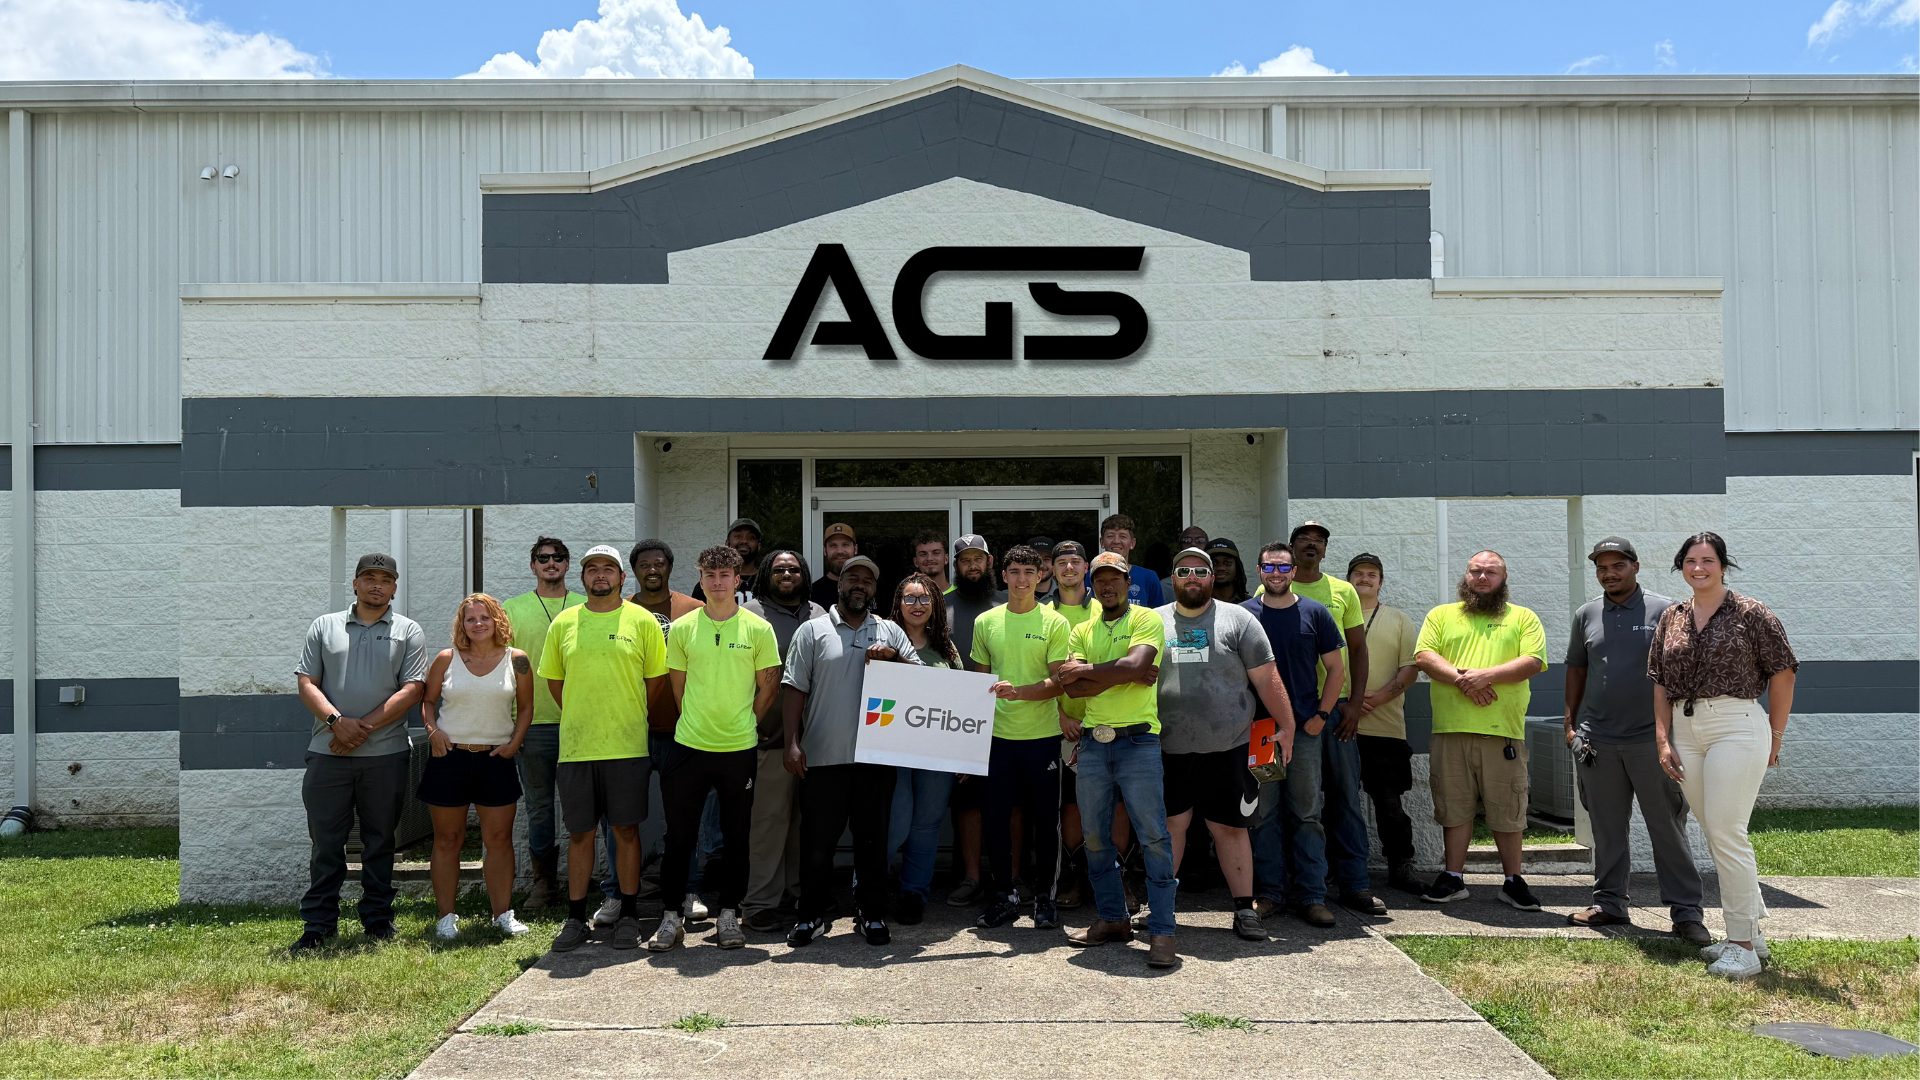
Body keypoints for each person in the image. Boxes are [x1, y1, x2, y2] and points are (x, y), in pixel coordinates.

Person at [1649, 532, 1797, 980]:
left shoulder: (1752, 613)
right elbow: (1659, 680)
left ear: (1723, 565)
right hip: (1684, 728)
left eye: (1707, 560)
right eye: (1690, 561)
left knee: (1728, 831)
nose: (1699, 568)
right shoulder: (1672, 617)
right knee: (1715, 831)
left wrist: (1775, 734)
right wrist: (1662, 738)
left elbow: (1784, 673)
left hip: (1736, 724)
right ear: (1681, 567)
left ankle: (1740, 945)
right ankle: (1753, 936)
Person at [1564, 537, 1708, 943]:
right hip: (1598, 741)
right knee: (1607, 828)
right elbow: (1576, 669)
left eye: (1618, 566)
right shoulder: (1586, 614)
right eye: (1602, 567)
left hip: (1653, 740)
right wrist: (1571, 727)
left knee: (1667, 827)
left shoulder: (1666, 611)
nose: (1610, 573)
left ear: (1636, 566)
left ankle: (1686, 914)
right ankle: (1609, 904)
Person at [1153, 547, 1296, 942]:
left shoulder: (1240, 619)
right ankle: (1161, 910)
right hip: (1167, 748)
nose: (1192, 576)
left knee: (1230, 828)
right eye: (1184, 570)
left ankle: (1243, 910)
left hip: (1230, 745)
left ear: (1213, 578)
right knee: (1169, 827)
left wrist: (1287, 725)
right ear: (1173, 578)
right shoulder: (1151, 621)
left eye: (1201, 571)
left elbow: (1267, 678)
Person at [290, 553, 428, 953]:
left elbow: (412, 690)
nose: (376, 585)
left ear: (395, 587)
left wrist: (359, 728)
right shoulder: (324, 626)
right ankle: (317, 926)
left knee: (380, 841)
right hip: (327, 754)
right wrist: (337, 723)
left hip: (384, 756)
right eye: (369, 577)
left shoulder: (408, 630)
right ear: (354, 583)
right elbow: (307, 683)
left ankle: (378, 923)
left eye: (385, 579)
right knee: (326, 844)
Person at [782, 555, 922, 947]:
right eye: (852, 578)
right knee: (817, 844)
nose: (859, 584)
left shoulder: (891, 631)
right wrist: (792, 743)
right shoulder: (812, 631)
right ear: (839, 584)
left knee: (873, 843)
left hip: (875, 759)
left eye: (868, 580)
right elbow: (794, 688)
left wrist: (892, 659)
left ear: (875, 590)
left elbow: (917, 685)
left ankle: (871, 914)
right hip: (822, 757)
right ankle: (810, 916)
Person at [649, 545, 783, 952]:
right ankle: (671, 918)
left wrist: (744, 722)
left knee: (736, 837)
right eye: (710, 575)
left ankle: (729, 915)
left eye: (726, 575)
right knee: (679, 838)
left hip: (738, 748)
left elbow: (768, 687)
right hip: (688, 746)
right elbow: (678, 687)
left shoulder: (758, 628)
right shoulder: (685, 628)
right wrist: (701, 720)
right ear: (701, 578)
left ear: (737, 580)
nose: (718, 582)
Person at [539, 545, 669, 953]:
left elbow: (655, 680)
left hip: (627, 746)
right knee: (580, 835)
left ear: (621, 578)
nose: (600, 575)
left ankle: (629, 916)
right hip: (576, 748)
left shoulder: (642, 620)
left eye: (608, 569)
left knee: (625, 832)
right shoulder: (564, 622)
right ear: (582, 579)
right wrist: (584, 713)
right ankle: (577, 918)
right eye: (592, 569)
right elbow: (556, 682)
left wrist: (625, 713)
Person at [1061, 552, 1177, 969]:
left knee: (1153, 838)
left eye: (1116, 579)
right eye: (1101, 580)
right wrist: (1121, 672)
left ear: (1130, 584)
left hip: (1139, 742)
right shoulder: (1081, 629)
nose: (1108, 586)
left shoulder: (1146, 619)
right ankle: (1113, 919)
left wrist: (1094, 671)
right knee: (1094, 838)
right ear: (1092, 586)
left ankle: (1163, 929)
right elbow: (1072, 690)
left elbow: (1137, 664)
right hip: (1093, 744)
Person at [1414, 550, 1548, 910]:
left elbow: (1533, 661)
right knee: (1453, 807)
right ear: (1466, 575)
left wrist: (1485, 676)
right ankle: (1454, 878)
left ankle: (1512, 881)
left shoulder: (1523, 618)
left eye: (1491, 572)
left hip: (1503, 733)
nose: (1483, 578)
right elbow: (1425, 656)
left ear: (1504, 578)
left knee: (1508, 810)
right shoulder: (1441, 616)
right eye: (1476, 571)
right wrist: (1465, 681)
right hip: (1450, 730)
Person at [1242, 543, 1348, 926]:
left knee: (1307, 813)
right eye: (1270, 567)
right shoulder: (1244, 615)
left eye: (1283, 567)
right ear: (1259, 571)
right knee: (1264, 814)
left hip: (1304, 731)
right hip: (1261, 733)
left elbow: (1336, 669)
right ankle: (1270, 893)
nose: (1277, 573)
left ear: (1293, 571)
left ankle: (1312, 895)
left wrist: (1322, 714)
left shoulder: (1315, 613)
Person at [419, 593, 534, 940]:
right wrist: (432, 731)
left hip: (495, 759)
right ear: (462, 624)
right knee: (447, 839)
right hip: (448, 757)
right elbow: (427, 701)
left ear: (498, 620)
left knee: (498, 839)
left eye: (485, 617)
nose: (478, 624)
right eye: (471, 619)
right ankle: (446, 918)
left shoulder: (518, 660)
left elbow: (527, 707)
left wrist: (514, 741)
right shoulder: (445, 659)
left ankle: (502, 914)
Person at [971, 544, 1074, 931]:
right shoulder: (987, 622)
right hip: (996, 738)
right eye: (1014, 571)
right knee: (995, 819)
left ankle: (1045, 900)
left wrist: (1021, 692)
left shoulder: (1054, 622)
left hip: (1042, 737)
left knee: (1045, 821)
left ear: (1040, 576)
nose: (1021, 579)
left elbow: (1058, 682)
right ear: (1004, 575)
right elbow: (979, 684)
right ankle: (1004, 898)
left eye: (1029, 573)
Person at [1282, 521, 1377, 913]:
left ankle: (1355, 884)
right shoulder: (1273, 587)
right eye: (1304, 539)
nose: (1312, 545)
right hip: (1290, 715)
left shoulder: (1343, 592)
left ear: (1325, 551)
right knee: (1299, 805)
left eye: (1319, 541)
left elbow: (1357, 649)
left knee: (1345, 799)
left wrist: (1353, 704)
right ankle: (1303, 885)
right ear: (1290, 549)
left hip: (1336, 712)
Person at [628, 539, 715, 922]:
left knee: (684, 819)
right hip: (630, 730)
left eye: (658, 563)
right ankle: (617, 894)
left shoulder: (694, 610)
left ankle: (689, 891)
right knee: (622, 819)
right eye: (644, 563)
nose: (652, 569)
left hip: (683, 730)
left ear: (669, 568)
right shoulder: (619, 611)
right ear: (635, 571)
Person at [740, 550, 826, 932]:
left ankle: (797, 892)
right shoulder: (750, 614)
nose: (787, 574)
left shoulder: (820, 614)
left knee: (804, 824)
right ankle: (759, 902)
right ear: (765, 575)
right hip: (768, 738)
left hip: (818, 741)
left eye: (794, 569)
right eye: (779, 569)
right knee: (769, 822)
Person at [501, 537, 585, 912]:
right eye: (543, 558)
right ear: (532, 565)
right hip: (531, 726)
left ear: (568, 565)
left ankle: (580, 884)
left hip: (579, 724)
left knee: (580, 808)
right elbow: (499, 669)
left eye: (558, 558)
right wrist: (509, 726)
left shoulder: (587, 606)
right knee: (538, 808)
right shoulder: (512, 609)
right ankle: (544, 884)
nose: (551, 563)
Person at [1344, 553, 1425, 894]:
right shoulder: (1332, 615)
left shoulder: (1399, 619)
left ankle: (1401, 865)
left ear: (1381, 581)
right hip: (1340, 724)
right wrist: (1348, 702)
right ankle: (1338, 867)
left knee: (1390, 805)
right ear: (1347, 579)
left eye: (1372, 574)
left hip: (1385, 727)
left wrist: (1377, 697)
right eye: (1358, 573)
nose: (1365, 578)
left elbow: (1411, 668)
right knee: (1338, 803)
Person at [886, 571, 963, 925]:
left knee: (927, 825)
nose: (917, 606)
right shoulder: (882, 641)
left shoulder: (946, 649)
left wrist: (965, 753)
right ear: (898, 605)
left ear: (935, 605)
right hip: (890, 750)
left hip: (937, 753)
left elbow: (964, 703)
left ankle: (914, 893)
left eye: (924, 599)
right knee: (894, 821)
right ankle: (870, 887)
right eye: (909, 599)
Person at [943, 533, 1006, 906]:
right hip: (956, 721)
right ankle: (970, 877)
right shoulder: (940, 605)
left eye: (977, 559)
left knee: (1009, 801)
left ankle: (1010, 878)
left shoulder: (1007, 603)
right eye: (964, 560)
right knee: (966, 803)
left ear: (989, 562)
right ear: (956, 566)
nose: (971, 566)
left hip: (1009, 717)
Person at [1048, 541, 1101, 907]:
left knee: (1114, 805)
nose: (1069, 567)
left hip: (1107, 723)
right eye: (1061, 562)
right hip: (1060, 725)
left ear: (1086, 569)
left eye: (1075, 562)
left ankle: (1116, 876)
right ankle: (1073, 877)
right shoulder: (1039, 612)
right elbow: (1034, 672)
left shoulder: (1107, 607)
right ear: (1051, 570)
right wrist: (1060, 715)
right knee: (1070, 806)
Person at [1091, 514, 1164, 607]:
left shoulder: (1149, 578)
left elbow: (1159, 614)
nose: (1116, 541)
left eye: (1123, 536)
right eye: (1110, 536)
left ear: (1132, 543)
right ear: (1102, 542)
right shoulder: (1090, 577)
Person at [692, 517, 764, 602]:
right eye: (738, 536)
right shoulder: (711, 584)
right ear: (727, 543)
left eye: (751, 538)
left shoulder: (766, 583)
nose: (744, 541)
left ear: (759, 546)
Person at [810, 521, 859, 609]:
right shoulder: (812, 594)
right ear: (825, 551)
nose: (840, 551)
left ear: (855, 549)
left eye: (845, 545)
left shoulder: (875, 589)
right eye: (833, 546)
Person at [1159, 526, 1210, 598]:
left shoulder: (1218, 581)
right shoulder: (1165, 586)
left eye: (1200, 540)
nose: (1193, 544)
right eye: (1186, 540)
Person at [1207, 537, 1250, 603]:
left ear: (1237, 567)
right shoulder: (1196, 604)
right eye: (1214, 563)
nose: (1220, 568)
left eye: (1227, 563)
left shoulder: (1250, 606)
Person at [911, 529, 953, 595]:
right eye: (923, 554)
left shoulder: (962, 597)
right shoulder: (909, 599)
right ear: (916, 562)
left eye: (936, 553)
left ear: (946, 559)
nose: (929, 558)